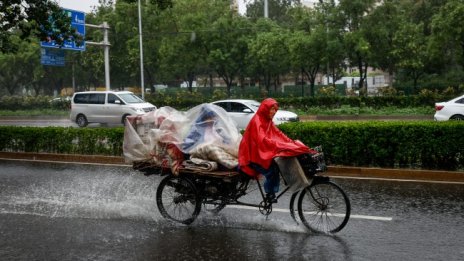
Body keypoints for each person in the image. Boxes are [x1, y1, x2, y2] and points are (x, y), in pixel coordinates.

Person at [238, 98, 317, 203]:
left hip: (260, 153)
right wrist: (283, 146)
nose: (274, 112)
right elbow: (263, 141)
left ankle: (271, 191)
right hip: (252, 156)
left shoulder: (267, 120)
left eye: (275, 109)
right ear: (265, 109)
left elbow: (278, 134)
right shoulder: (257, 121)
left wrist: (291, 143)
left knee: (277, 165)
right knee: (271, 170)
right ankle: (269, 194)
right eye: (272, 109)